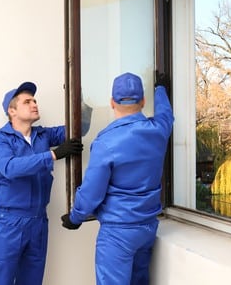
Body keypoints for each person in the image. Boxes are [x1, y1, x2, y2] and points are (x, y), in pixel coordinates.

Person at [61, 72, 174, 285]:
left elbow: (92, 191)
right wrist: (161, 90)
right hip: (147, 228)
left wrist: (75, 217)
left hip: (118, 232)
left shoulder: (106, 142)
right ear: (142, 101)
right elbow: (166, 115)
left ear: (112, 102)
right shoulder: (158, 130)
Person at [0, 81, 85, 285]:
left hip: (38, 220)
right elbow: (10, 168)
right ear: (12, 111)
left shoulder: (43, 135)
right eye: (27, 101)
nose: (34, 104)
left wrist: (84, 100)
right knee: (0, 279)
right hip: (11, 220)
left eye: (35, 100)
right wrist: (53, 155)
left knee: (32, 280)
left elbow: (79, 126)